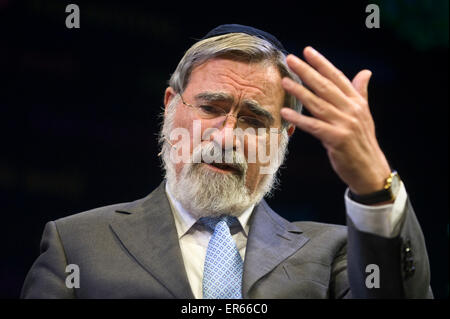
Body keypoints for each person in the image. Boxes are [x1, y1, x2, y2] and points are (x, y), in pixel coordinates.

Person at [21, 24, 432, 299]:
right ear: (170, 107)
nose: (225, 136)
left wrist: (375, 185)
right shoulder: (76, 244)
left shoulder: (337, 253)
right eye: (211, 107)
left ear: (283, 138)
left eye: (254, 120)